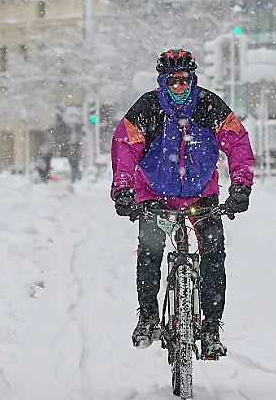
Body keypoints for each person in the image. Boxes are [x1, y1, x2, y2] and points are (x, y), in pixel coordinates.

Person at [110, 49, 255, 359]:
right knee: (150, 252)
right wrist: (123, 189)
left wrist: (241, 186)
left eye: (184, 80)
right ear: (162, 82)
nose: (179, 86)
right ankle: (148, 317)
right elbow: (124, 147)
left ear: (193, 79)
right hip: (155, 196)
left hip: (202, 195)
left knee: (213, 254)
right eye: (172, 81)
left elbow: (238, 143)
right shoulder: (148, 109)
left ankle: (211, 328)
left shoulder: (209, 106)